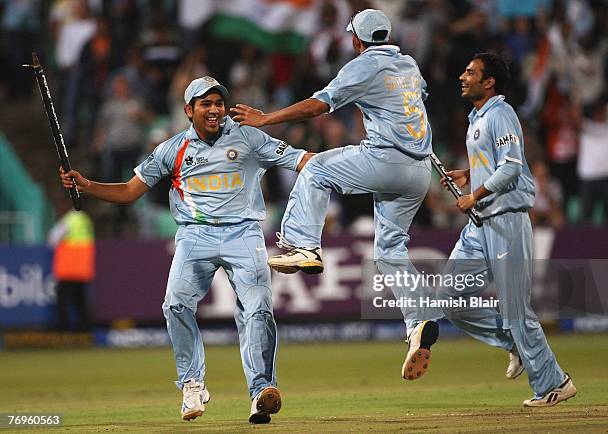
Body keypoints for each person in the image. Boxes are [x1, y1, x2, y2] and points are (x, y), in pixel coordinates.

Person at [59, 76, 314, 423]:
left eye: (219, 103)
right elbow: (130, 191)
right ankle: (192, 384)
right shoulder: (172, 148)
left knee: (258, 310)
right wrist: (88, 185)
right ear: (188, 110)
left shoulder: (250, 137)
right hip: (195, 236)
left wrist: (347, 164)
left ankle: (261, 392)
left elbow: (302, 161)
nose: (215, 110)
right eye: (205, 104)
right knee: (175, 303)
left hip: (244, 234)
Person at [231, 9, 442, 381]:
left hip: (387, 159)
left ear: (356, 40)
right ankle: (420, 320)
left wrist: (266, 119)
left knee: (315, 168)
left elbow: (319, 105)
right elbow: (417, 104)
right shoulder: (408, 64)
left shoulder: (363, 65)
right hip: (419, 170)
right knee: (389, 250)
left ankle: (303, 245)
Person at [438, 52, 576, 407]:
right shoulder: (478, 117)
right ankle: (514, 343)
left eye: (470, 72)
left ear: (489, 82)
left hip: (506, 221)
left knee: (516, 311)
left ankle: (553, 383)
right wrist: (468, 174)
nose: (462, 76)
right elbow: (493, 162)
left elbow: (512, 167)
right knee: (448, 299)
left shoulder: (501, 114)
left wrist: (475, 194)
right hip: (478, 226)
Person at [47, 203, 95, 331]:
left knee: (63, 302)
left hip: (68, 269)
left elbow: (52, 239)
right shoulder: (86, 220)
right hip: (82, 269)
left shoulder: (69, 220)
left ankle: (62, 331)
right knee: (81, 303)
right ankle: (85, 332)